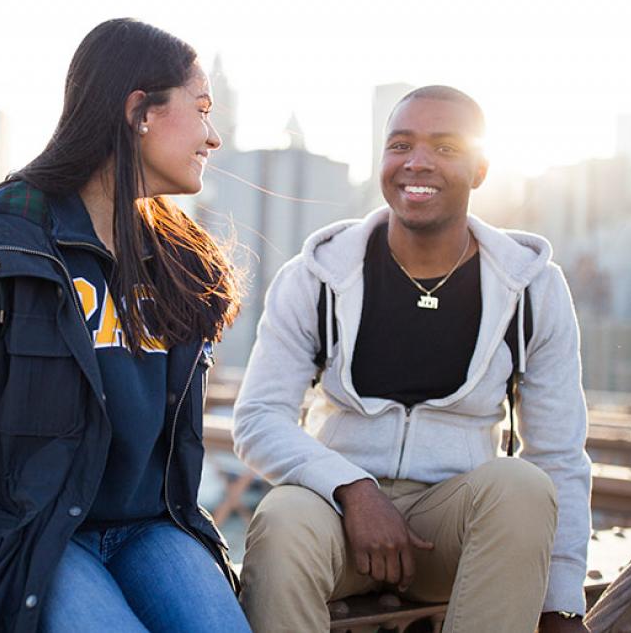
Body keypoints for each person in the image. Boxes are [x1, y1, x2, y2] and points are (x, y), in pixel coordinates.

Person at [0, 18, 250, 633]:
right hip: (33, 540)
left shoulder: (181, 263)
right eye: (202, 109)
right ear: (139, 111)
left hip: (153, 532)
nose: (213, 137)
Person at [232, 86, 592, 633]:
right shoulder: (317, 277)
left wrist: (562, 603)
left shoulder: (531, 289)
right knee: (282, 518)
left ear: (480, 168)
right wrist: (353, 490)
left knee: (523, 487)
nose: (416, 162)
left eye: (445, 147)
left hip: (448, 530)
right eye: (400, 145)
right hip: (336, 518)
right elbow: (257, 418)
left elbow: (559, 454)